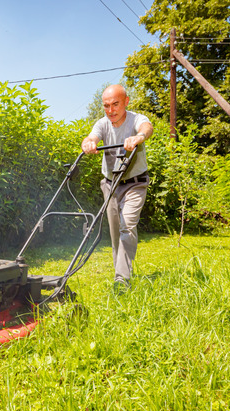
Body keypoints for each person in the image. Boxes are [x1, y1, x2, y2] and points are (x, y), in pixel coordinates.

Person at [81, 84, 153, 289]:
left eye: (115, 104)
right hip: (110, 185)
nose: (110, 110)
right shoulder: (102, 123)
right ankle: (120, 274)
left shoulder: (135, 118)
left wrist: (139, 137)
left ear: (126, 102)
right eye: (106, 106)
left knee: (127, 226)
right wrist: (88, 143)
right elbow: (92, 136)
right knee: (115, 234)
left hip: (135, 183)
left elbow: (147, 127)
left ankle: (122, 280)